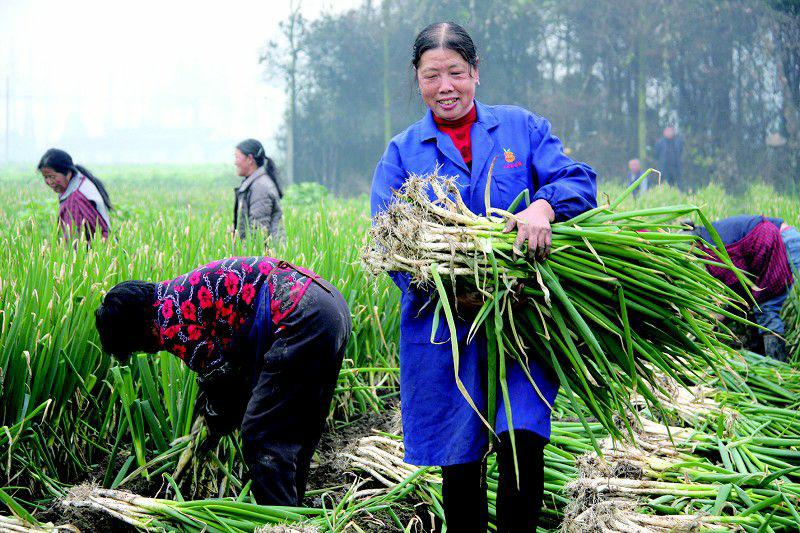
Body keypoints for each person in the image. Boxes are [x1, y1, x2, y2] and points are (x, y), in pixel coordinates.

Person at [370, 22, 597, 533]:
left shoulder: (521, 129)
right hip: (447, 330)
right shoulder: (402, 153)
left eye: (455, 72)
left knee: (523, 441)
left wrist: (544, 205)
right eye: (432, 75)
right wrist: (449, 290)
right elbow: (388, 243)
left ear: (475, 73)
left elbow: (579, 182)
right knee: (460, 457)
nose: (445, 86)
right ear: (417, 79)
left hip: (524, 322)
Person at [94, 256, 351, 505]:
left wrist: (212, 425)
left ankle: (279, 523)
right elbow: (235, 372)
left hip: (301, 314)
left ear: (138, 330)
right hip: (327, 303)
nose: (148, 351)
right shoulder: (177, 293)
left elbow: (224, 385)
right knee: (299, 424)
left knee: (261, 433)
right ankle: (292, 511)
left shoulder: (168, 321)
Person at [690, 215, 800, 361]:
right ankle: (765, 361)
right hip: (784, 238)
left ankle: (779, 367)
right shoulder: (712, 232)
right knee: (760, 305)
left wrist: (723, 314)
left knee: (766, 306)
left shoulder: (712, 248)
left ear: (694, 244)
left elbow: (740, 287)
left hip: (783, 241)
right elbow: (744, 286)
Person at [37, 148, 112, 242]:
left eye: (52, 177)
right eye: (46, 177)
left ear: (68, 173)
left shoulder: (75, 200)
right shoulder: (81, 182)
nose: (49, 182)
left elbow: (73, 243)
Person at [233, 139, 286, 245]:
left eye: (237, 157)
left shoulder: (260, 187)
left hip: (265, 258)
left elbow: (258, 234)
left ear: (250, 159)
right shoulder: (255, 183)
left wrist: (245, 258)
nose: (235, 162)